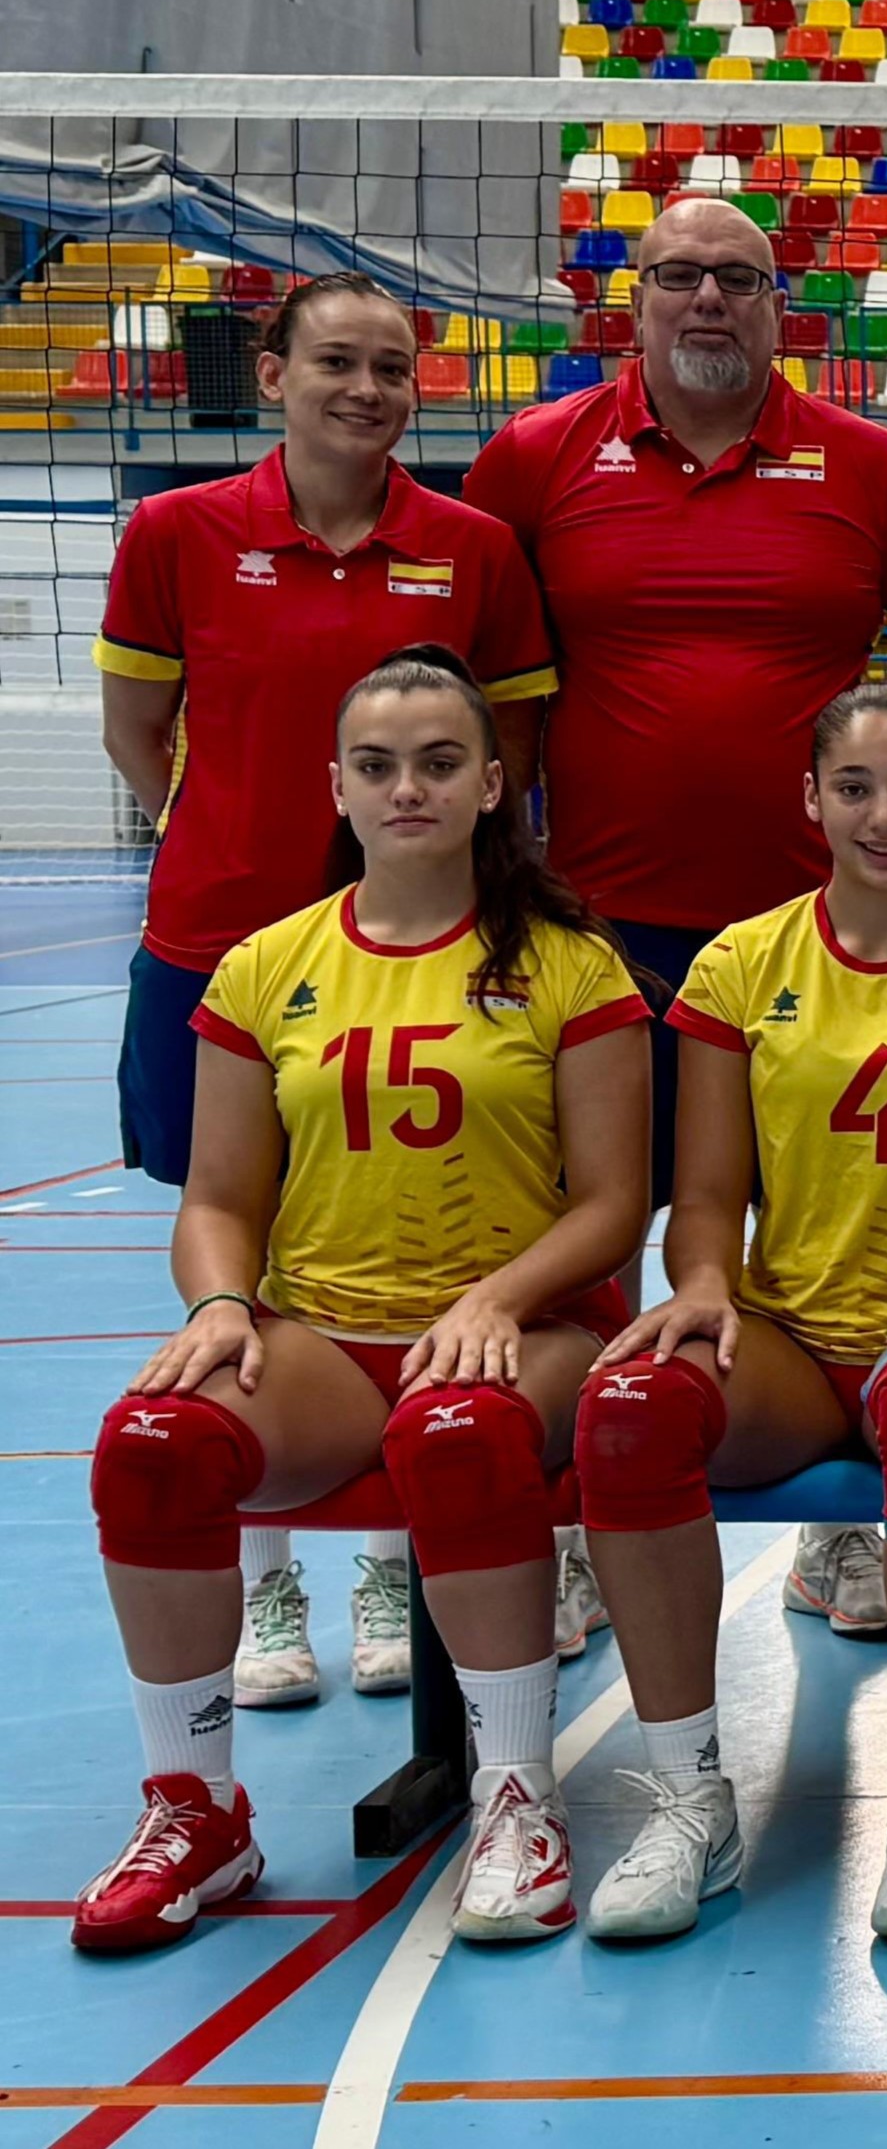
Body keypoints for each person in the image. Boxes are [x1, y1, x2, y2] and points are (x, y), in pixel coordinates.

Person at [462, 195, 887, 1642]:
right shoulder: (532, 458)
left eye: (739, 279)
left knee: (828, 1214)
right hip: (598, 930)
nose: (709, 299)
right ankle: (573, 1512)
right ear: (630, 301)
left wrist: (854, 793)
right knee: (587, 1224)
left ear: (779, 307)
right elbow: (483, 676)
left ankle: (841, 1518)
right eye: (680, 275)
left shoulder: (870, 463)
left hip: (823, 939)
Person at [75, 652, 651, 1953]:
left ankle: (516, 1794)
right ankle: (196, 1809)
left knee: (461, 1428)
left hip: (531, 1331)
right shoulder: (267, 966)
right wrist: (222, 1302)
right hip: (327, 1339)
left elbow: (616, 1202)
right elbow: (219, 1196)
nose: (409, 788)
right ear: (336, 786)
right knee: (153, 1443)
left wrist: (499, 1296)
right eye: (378, 766)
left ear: (492, 783)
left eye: (440, 763)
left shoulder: (571, 965)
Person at [93, 272, 569, 1707]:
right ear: (274, 373)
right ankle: (271, 1581)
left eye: (392, 369)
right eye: (336, 364)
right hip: (221, 946)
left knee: (404, 1235)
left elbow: (514, 750)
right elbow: (138, 733)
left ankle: (386, 1563)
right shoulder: (176, 532)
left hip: (429, 952)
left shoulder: (473, 547)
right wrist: (253, 858)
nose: (366, 390)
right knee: (236, 1248)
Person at [566, 686, 887, 1943]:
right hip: (793, 1344)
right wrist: (703, 1285)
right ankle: (689, 1796)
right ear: (810, 799)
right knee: (630, 1411)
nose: (884, 815)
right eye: (854, 787)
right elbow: (705, 1197)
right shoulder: (740, 966)